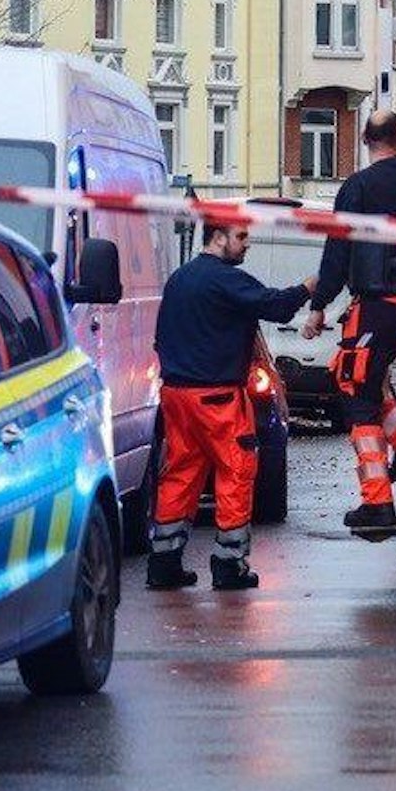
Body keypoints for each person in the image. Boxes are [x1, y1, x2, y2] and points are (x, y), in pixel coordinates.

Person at [148, 222, 315, 591]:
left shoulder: (179, 280)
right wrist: (308, 288)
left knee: (180, 473)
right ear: (218, 237)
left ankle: (163, 563)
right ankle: (229, 565)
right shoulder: (226, 281)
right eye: (241, 237)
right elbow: (276, 307)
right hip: (218, 398)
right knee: (235, 473)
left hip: (177, 395)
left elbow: (160, 338)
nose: (247, 244)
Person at [303, 111, 396, 538]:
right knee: (378, 390)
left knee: (358, 390)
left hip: (377, 301)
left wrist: (319, 305)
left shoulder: (358, 187)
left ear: (365, 138)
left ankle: (377, 501)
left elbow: (338, 251)